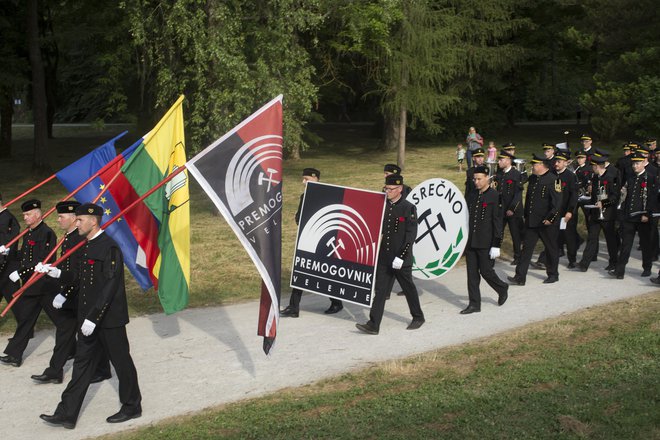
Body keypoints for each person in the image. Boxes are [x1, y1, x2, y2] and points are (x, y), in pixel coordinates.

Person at [38, 203, 142, 429]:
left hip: (108, 319)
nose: (77, 223)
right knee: (82, 366)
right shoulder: (85, 246)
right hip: (87, 320)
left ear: (93, 221)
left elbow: (109, 286)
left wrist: (94, 317)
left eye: (80, 220)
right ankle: (66, 413)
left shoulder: (109, 247)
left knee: (121, 362)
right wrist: (57, 273)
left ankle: (132, 405)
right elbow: (79, 277)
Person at [31, 201, 112, 385]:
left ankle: (102, 368)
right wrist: (50, 269)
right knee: (65, 332)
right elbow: (67, 266)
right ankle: (54, 371)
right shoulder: (68, 238)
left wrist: (65, 293)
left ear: (73, 218)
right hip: (71, 293)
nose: (58, 220)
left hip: (79, 295)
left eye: (61, 217)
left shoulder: (78, 240)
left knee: (92, 335)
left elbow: (79, 273)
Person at [355, 175, 424, 334]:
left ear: (400, 189)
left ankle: (418, 316)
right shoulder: (383, 205)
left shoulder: (408, 208)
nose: (387, 192)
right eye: (386, 188)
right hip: (385, 257)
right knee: (380, 290)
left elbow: (410, 235)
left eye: (391, 189)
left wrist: (402, 255)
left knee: (408, 288)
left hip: (401, 258)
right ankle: (374, 324)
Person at [0, 199, 58, 368]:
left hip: (43, 285)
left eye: (27, 214)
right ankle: (14, 355)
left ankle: (72, 349)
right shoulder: (28, 233)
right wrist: (8, 252)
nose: (24, 217)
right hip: (31, 286)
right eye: (24, 214)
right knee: (25, 319)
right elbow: (25, 256)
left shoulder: (47, 233)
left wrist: (20, 272)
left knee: (62, 321)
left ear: (37, 214)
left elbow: (43, 260)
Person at [281, 168, 343, 317]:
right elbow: (299, 218)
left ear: (316, 179)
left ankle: (336, 302)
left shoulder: (328, 195)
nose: (303, 182)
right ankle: (293, 307)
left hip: (324, 242)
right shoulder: (304, 196)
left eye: (306, 179)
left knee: (326, 273)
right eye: (303, 179)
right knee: (300, 271)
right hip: (307, 239)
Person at [508, 154, 561, 286]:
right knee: (526, 249)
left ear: (543, 166)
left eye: (535, 164)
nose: (533, 166)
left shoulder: (555, 180)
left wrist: (551, 218)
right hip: (532, 221)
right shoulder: (533, 178)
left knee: (551, 248)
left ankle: (553, 274)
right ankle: (520, 277)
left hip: (546, 222)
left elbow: (557, 203)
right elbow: (522, 185)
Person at [461, 166, 508, 314]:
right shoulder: (472, 195)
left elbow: (497, 221)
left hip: (486, 242)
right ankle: (474, 304)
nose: (476, 182)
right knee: (472, 274)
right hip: (471, 241)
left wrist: (496, 244)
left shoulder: (495, 196)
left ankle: (502, 287)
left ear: (488, 178)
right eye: (475, 179)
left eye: (479, 179)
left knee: (486, 272)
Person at [609, 152, 657, 279]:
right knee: (626, 244)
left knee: (646, 244)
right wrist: (622, 214)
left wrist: (647, 214)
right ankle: (619, 271)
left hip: (643, 218)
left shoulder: (650, 178)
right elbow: (624, 198)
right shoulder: (630, 178)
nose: (635, 166)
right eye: (633, 163)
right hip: (629, 217)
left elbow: (652, 199)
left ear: (643, 163)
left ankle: (647, 268)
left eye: (637, 163)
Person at [576, 155, 619, 272]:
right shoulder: (595, 178)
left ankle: (614, 262)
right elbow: (593, 197)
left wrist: (604, 203)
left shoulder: (612, 177)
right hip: (596, 213)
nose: (591, 169)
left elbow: (615, 196)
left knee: (610, 240)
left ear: (597, 166)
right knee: (592, 238)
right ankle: (584, 264)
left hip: (608, 214)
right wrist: (590, 210)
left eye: (593, 166)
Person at [493, 150, 523, 265]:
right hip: (501, 208)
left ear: (508, 161)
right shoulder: (499, 173)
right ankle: (495, 252)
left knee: (515, 234)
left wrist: (512, 208)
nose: (499, 161)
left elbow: (518, 194)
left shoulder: (516, 174)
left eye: (501, 160)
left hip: (513, 211)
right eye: (499, 159)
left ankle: (518, 256)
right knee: (498, 231)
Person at [553, 151, 580, 268]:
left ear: (565, 163)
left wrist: (570, 211)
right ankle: (548, 257)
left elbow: (574, 196)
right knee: (553, 235)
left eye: (559, 161)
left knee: (569, 236)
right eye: (556, 161)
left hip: (566, 211)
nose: (556, 164)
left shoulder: (570, 176)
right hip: (554, 211)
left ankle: (572, 259)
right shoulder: (552, 174)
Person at [0, 192, 21, 325]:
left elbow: (10, 242)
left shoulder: (8, 218)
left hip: (7, 267)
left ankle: (26, 329)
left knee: (15, 301)